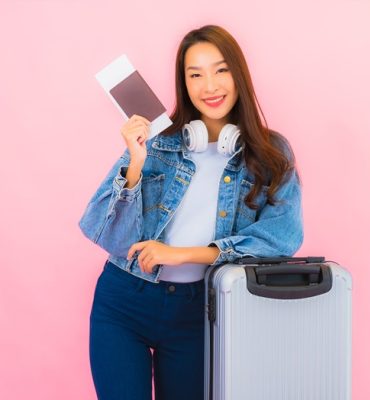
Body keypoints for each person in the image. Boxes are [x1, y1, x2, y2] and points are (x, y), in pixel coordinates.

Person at [78, 24, 303, 400]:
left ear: (238, 74)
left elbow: (282, 238)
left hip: (200, 311)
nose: (209, 86)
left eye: (220, 70)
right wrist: (135, 163)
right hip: (124, 301)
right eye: (194, 75)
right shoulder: (157, 139)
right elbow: (110, 238)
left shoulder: (271, 153)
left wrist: (183, 254)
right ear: (183, 83)